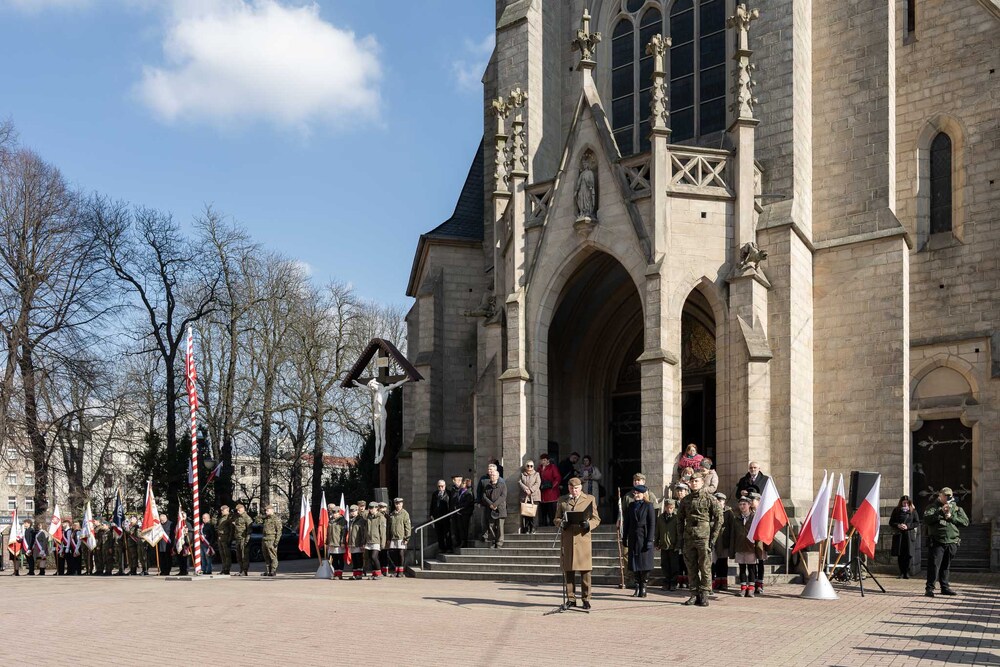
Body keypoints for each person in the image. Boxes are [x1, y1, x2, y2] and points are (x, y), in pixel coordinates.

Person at [555, 477, 601, 610]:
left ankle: (586, 599)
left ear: (581, 488)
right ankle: (571, 599)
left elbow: (596, 519)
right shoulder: (563, 500)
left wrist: (588, 524)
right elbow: (556, 518)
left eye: (576, 488)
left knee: (585, 571)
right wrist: (561, 523)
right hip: (568, 538)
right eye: (571, 488)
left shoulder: (589, 499)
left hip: (582, 537)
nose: (573, 491)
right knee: (568, 570)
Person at [677, 473, 722, 607]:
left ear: (702, 482)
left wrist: (713, 537)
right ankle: (693, 593)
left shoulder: (710, 499)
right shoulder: (685, 500)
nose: (694, 483)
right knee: (691, 567)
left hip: (704, 537)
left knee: (705, 567)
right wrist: (681, 537)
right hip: (689, 537)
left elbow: (719, 518)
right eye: (692, 481)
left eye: (696, 481)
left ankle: (704, 594)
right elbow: (679, 519)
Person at [924, 487, 968, 598]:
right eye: (945, 496)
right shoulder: (932, 507)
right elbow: (927, 519)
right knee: (934, 565)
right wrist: (940, 511)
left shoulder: (956, 508)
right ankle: (929, 588)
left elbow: (965, 522)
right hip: (937, 541)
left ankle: (945, 587)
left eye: (949, 496)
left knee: (946, 566)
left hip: (952, 541)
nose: (947, 498)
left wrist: (951, 517)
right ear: (940, 495)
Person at [622, 485, 656, 598]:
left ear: (643, 494)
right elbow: (626, 522)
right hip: (633, 537)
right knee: (634, 563)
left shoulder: (648, 506)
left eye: (638, 493)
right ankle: (637, 586)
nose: (635, 495)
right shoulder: (631, 506)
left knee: (645, 563)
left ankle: (644, 586)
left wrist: (650, 540)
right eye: (634, 493)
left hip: (644, 537)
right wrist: (624, 537)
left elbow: (651, 524)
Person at [730, 496, 761, 597]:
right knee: (742, 568)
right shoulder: (736, 519)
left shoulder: (754, 518)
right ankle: (743, 588)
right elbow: (733, 534)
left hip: (750, 547)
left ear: (749, 505)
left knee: (751, 568)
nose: (742, 506)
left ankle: (751, 588)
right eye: (740, 504)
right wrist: (732, 548)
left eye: (744, 504)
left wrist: (758, 548)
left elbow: (758, 534)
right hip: (740, 546)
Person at [888, 495, 920, 579]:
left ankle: (907, 572)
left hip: (909, 536)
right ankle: (901, 572)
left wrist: (908, 526)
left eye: (907, 503)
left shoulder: (913, 511)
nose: (905, 504)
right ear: (901, 503)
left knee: (909, 554)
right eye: (904, 502)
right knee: (900, 554)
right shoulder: (896, 510)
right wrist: (898, 525)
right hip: (899, 535)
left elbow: (916, 523)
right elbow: (891, 522)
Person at [656, 498, 680, 590]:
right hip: (663, 545)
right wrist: (656, 542)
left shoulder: (676, 518)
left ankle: (673, 583)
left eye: (671, 508)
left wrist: (678, 544)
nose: (669, 509)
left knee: (674, 565)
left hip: (673, 545)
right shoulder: (660, 518)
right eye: (667, 507)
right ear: (665, 507)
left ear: (673, 508)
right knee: (665, 565)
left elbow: (678, 532)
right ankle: (666, 582)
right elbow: (657, 531)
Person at [481, 466, 507, 548]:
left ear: (498, 476)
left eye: (494, 475)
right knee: (491, 526)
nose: (492, 476)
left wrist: (495, 504)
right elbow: (484, 496)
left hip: (500, 509)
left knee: (500, 527)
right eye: (491, 475)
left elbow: (503, 496)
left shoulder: (502, 485)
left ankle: (499, 542)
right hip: (490, 509)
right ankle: (493, 542)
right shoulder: (487, 486)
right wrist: (491, 504)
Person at [712, 492, 732, 592]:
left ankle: (723, 582)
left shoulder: (728, 512)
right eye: (717, 500)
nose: (719, 502)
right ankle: (714, 581)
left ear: (724, 502)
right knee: (713, 563)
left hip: (724, 540)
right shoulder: (711, 511)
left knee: (723, 562)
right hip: (714, 540)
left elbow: (731, 526)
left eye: (720, 500)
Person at [387, 498, 411, 577]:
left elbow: (407, 526)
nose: (398, 505)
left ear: (402, 504)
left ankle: (401, 571)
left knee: (401, 554)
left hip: (401, 537)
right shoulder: (392, 514)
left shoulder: (405, 514)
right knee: (394, 554)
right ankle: (396, 570)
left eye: (399, 503)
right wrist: (389, 538)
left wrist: (406, 538)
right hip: (393, 537)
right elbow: (389, 526)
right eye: (396, 504)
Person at [449, 476, 474, 550]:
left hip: (465, 513)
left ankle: (464, 542)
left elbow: (467, 503)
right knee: (460, 528)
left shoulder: (468, 492)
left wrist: (458, 507)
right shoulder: (460, 491)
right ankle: (460, 542)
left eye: (463, 483)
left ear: (466, 484)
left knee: (464, 528)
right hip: (459, 513)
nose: (461, 484)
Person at [538, 454, 562, 527]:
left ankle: (552, 524)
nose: (543, 461)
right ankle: (543, 524)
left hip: (551, 492)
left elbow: (558, 478)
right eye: (542, 460)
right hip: (542, 492)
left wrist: (552, 486)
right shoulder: (539, 468)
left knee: (552, 510)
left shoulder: (552, 467)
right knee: (543, 510)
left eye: (544, 460)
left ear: (548, 460)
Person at [429, 480, 452, 553]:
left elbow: (450, 504)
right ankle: (441, 548)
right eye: (439, 486)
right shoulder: (435, 494)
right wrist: (431, 515)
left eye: (442, 486)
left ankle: (449, 547)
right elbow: (432, 505)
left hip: (446, 516)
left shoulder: (448, 493)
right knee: (439, 534)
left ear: (445, 486)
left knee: (447, 533)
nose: (440, 488)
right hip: (437, 517)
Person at [364, 502, 386, 579]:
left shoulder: (381, 517)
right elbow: (366, 530)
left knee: (374, 557)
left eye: (373, 508)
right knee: (370, 558)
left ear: (377, 508)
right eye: (370, 508)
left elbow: (383, 532)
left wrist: (382, 543)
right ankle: (374, 573)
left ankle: (379, 573)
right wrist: (364, 540)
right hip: (369, 540)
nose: (371, 510)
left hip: (376, 540)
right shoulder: (368, 517)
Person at [518, 460, 541, 534]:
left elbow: (538, 483)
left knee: (533, 514)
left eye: (531, 466)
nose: (529, 467)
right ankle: (526, 528)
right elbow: (519, 482)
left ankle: (533, 528)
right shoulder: (522, 474)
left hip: (534, 496)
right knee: (526, 513)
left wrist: (530, 490)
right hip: (524, 497)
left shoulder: (536, 474)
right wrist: (526, 489)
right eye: (528, 466)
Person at [327, 505, 347, 579]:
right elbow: (328, 532)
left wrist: (342, 542)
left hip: (338, 542)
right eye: (333, 513)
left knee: (340, 558)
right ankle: (336, 572)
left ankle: (340, 573)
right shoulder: (330, 521)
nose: (334, 514)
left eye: (336, 513)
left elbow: (344, 532)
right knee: (334, 559)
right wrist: (327, 542)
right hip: (332, 542)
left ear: (339, 513)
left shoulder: (342, 521)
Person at [232, 503, 252, 576]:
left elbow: (249, 530)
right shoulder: (238, 517)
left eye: (239, 510)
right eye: (237, 510)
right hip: (238, 539)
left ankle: (245, 570)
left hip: (243, 539)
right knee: (239, 556)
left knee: (244, 556)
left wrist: (247, 540)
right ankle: (241, 569)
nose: (238, 511)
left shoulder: (247, 518)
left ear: (243, 509)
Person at [261, 506, 281, 577]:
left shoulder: (276, 519)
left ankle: (273, 570)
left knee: (272, 556)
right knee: (266, 556)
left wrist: (276, 541)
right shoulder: (266, 519)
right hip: (265, 539)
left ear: (272, 510)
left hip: (272, 539)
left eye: (267, 510)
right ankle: (268, 570)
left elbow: (279, 531)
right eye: (266, 511)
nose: (266, 512)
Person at [214, 505, 234, 575]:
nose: (221, 511)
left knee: (227, 555)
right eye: (221, 510)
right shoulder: (221, 518)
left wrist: (230, 539)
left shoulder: (229, 518)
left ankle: (227, 569)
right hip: (220, 538)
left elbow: (231, 529)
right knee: (222, 555)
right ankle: (223, 568)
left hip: (226, 538)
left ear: (227, 510)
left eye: (223, 510)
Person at [348, 505, 366, 579]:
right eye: (351, 511)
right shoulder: (351, 520)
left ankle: (359, 574)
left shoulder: (360, 520)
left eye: (354, 511)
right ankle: (355, 574)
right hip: (352, 543)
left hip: (358, 542)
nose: (352, 513)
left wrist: (362, 543)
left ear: (357, 511)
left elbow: (362, 533)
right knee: (354, 559)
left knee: (359, 559)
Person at [174, 512, 192, 576]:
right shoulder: (178, 525)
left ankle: (185, 571)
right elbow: (176, 535)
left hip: (185, 544)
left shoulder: (187, 524)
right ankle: (181, 570)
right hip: (178, 544)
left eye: (183, 516)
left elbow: (190, 534)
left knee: (185, 559)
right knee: (179, 559)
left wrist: (187, 543)